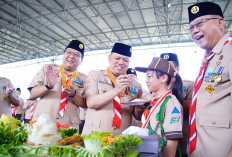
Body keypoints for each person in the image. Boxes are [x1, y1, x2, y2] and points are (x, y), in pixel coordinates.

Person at [187, 2, 232, 157]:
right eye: (191, 27)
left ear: (220, 22)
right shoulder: (210, 56)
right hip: (202, 148)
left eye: (200, 23)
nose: (195, 31)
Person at [82, 43, 143, 135]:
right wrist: (116, 90)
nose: (121, 62)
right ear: (109, 58)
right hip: (96, 136)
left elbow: (137, 117)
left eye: (125, 60)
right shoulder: (96, 75)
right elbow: (91, 103)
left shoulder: (135, 85)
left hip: (122, 137)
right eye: (117, 58)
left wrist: (139, 109)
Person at [28, 40, 87, 129]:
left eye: (76, 55)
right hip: (43, 123)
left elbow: (85, 104)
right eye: (69, 52)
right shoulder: (48, 69)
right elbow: (33, 94)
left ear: (81, 60)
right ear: (64, 54)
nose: (71, 56)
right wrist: (48, 86)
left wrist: (74, 94)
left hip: (69, 126)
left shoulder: (84, 79)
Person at [135, 57, 183, 157]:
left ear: (164, 78)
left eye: (149, 76)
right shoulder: (152, 101)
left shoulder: (171, 103)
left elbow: (172, 141)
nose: (146, 81)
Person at [160, 52, 194, 156]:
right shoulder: (156, 88)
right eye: (162, 66)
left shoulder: (189, 85)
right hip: (161, 138)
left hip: (181, 136)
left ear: (177, 68)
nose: (165, 69)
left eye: (169, 66)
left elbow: (193, 108)